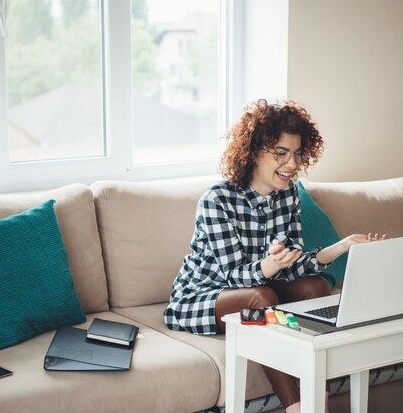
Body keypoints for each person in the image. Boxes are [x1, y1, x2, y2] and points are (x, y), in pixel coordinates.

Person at [164, 99, 385, 413]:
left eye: (296, 154)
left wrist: (341, 247)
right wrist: (268, 265)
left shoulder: (289, 194)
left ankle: (317, 403)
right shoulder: (217, 200)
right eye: (280, 153)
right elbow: (234, 277)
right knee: (261, 297)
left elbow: (294, 266)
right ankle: (296, 407)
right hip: (202, 297)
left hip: (260, 289)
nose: (291, 164)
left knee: (316, 287)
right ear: (254, 152)